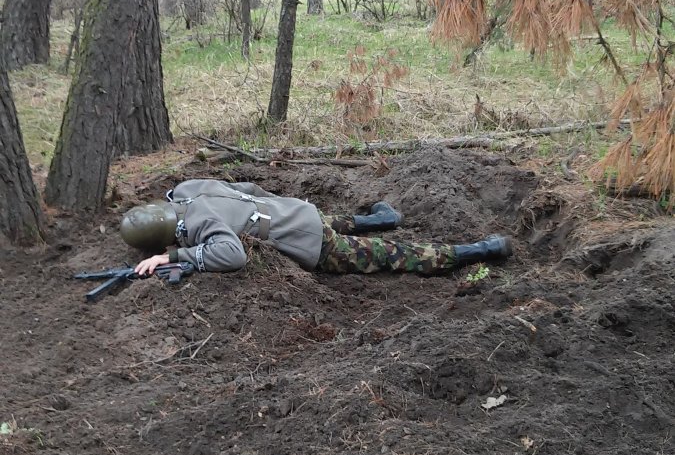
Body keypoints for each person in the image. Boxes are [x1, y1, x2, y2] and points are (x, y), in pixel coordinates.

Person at [120, 178, 512, 278]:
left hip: (313, 242)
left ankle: (478, 250)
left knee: (390, 254)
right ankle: (384, 219)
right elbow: (247, 189)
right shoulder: (188, 190)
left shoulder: (201, 225)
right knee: (331, 221)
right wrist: (271, 205)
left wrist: (174, 256)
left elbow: (232, 255)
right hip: (297, 212)